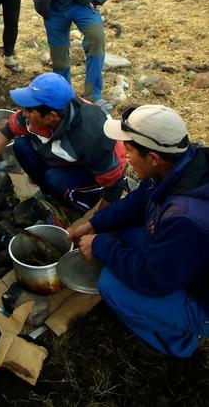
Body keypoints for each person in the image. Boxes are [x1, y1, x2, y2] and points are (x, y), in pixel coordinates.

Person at [67, 105, 209, 358]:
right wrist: (95, 224)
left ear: (153, 157)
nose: (125, 156)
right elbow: (139, 201)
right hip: (190, 259)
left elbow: (153, 280)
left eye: (129, 151)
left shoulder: (186, 217)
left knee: (110, 284)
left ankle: (180, 342)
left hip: (202, 299)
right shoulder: (182, 164)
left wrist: (100, 245)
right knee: (123, 231)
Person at [0, 73, 126, 214]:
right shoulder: (42, 114)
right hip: (64, 158)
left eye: (29, 110)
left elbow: (114, 186)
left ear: (51, 116)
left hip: (93, 170)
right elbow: (9, 130)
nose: (24, 113)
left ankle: (78, 205)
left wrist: (95, 227)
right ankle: (51, 193)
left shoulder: (93, 135)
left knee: (55, 178)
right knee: (21, 146)